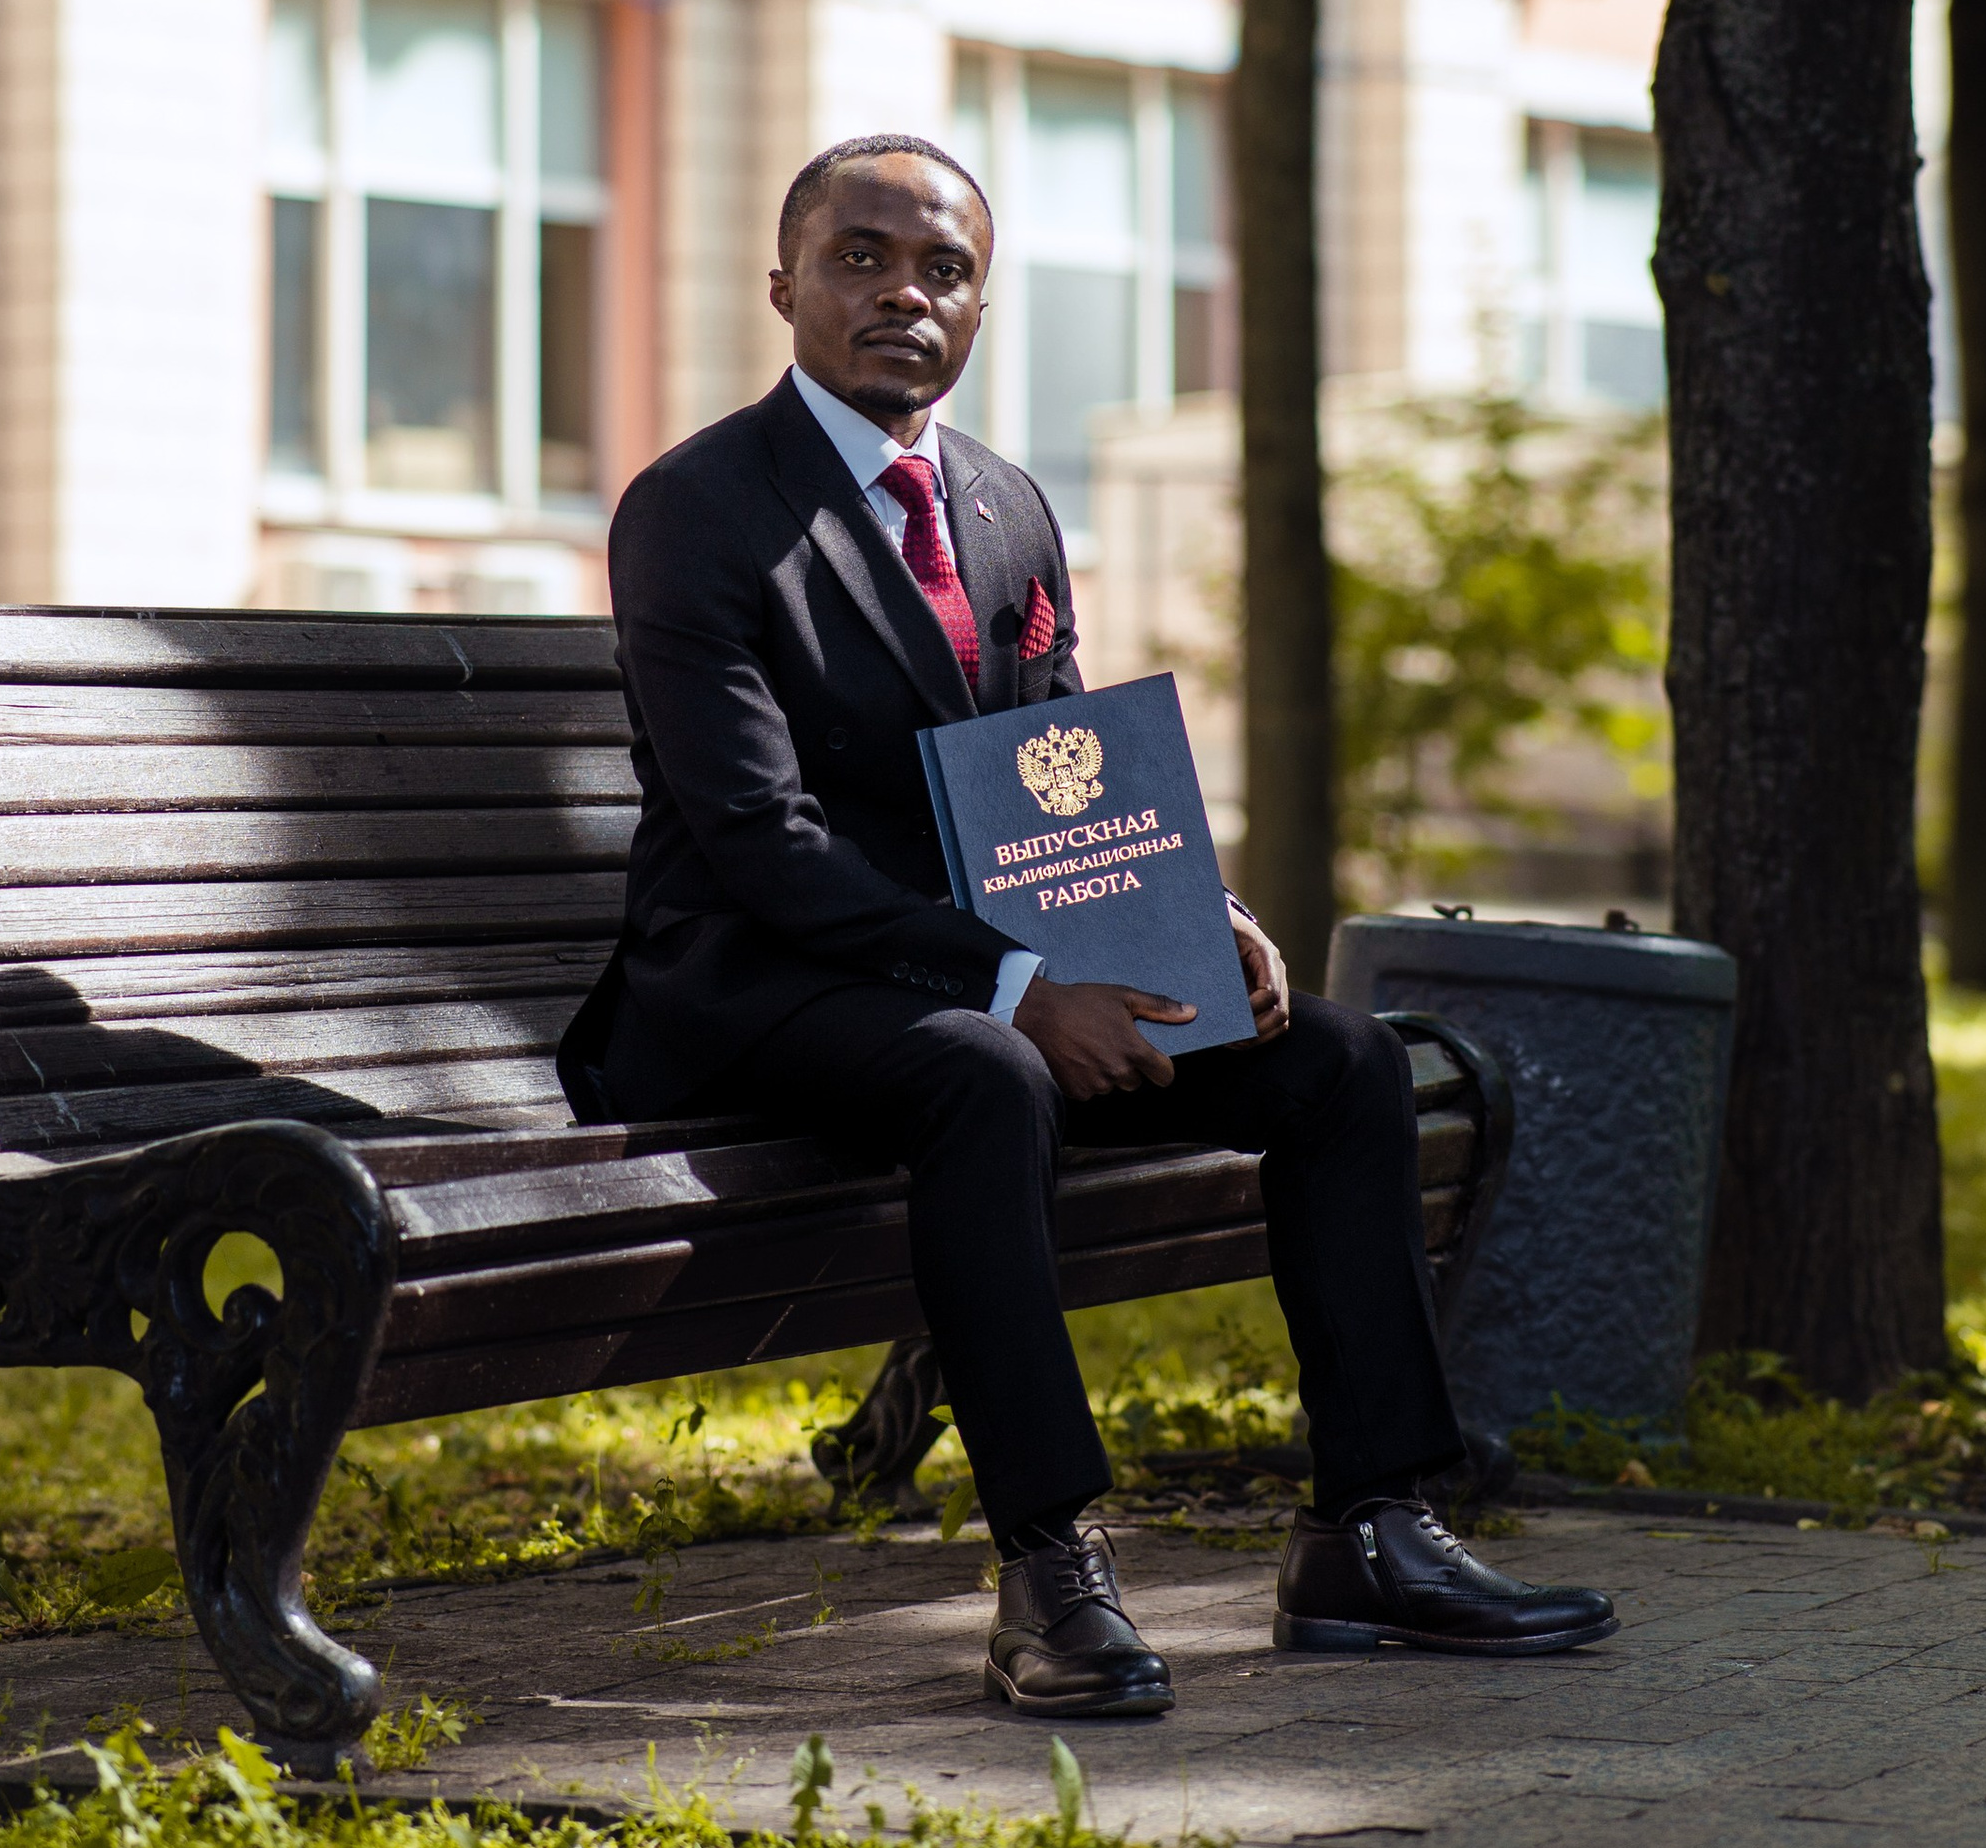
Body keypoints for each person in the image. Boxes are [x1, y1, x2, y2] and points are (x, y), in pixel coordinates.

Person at [558, 134, 1615, 1719]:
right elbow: (761, 847)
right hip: (750, 979)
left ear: (981, 307)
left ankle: (1373, 1531)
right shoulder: (698, 509)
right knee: (990, 1074)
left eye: (945, 268)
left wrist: (1209, 923)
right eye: (862, 257)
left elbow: (1063, 789)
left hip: (980, 971)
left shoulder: (1004, 508)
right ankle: (1051, 1567)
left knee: (1335, 1060)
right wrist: (1022, 982)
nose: (903, 293)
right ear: (784, 286)